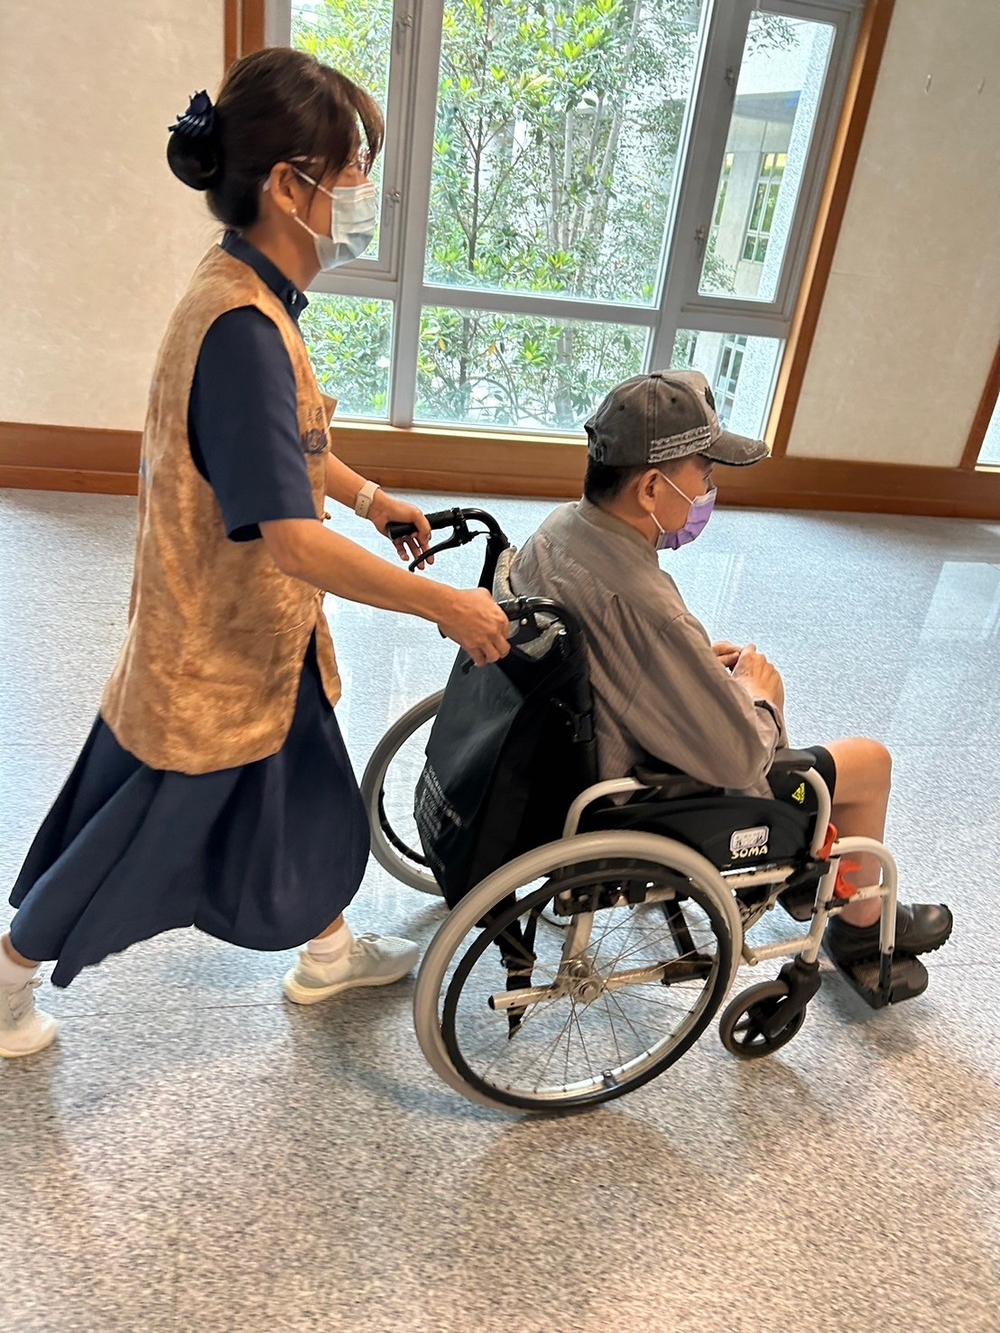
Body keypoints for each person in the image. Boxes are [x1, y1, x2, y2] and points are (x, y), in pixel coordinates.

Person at [0, 49, 511, 1059]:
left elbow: (290, 446)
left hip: (253, 643)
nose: (363, 188)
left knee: (305, 790)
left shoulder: (249, 292)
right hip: (215, 661)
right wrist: (446, 606)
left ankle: (327, 951)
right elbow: (290, 539)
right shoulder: (241, 329)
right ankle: (7, 975)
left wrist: (368, 497)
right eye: (352, 165)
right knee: (137, 826)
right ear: (288, 184)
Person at [509, 369, 952, 990]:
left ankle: (813, 873)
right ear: (650, 488)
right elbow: (740, 755)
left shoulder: (556, 531)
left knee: (743, 685)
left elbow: (622, 651)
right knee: (868, 760)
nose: (709, 491)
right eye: (704, 474)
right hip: (647, 791)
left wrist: (691, 665)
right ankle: (859, 919)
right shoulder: (649, 605)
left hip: (567, 750)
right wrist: (757, 695)